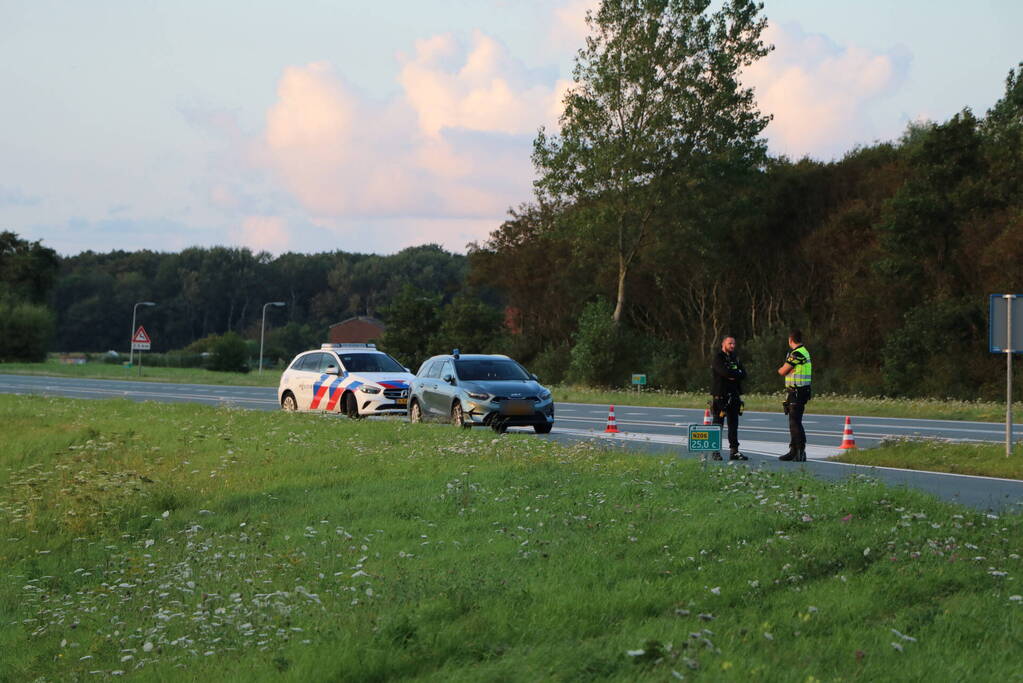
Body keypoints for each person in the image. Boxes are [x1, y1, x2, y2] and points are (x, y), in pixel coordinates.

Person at [710, 335, 748, 461]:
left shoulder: (735, 358)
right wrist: (734, 374)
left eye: (734, 343)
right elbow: (725, 373)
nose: (732, 346)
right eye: (730, 343)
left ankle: (734, 452)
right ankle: (715, 451)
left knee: (733, 425)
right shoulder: (718, 358)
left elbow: (744, 374)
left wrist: (734, 375)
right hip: (721, 396)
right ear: (723, 344)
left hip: (734, 395)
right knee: (717, 425)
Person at [777, 329, 812, 461]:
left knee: (795, 422)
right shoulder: (803, 352)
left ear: (790, 340)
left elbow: (782, 371)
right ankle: (794, 450)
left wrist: (783, 369)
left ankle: (800, 451)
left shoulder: (797, 353)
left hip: (797, 392)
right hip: (799, 391)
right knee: (795, 421)